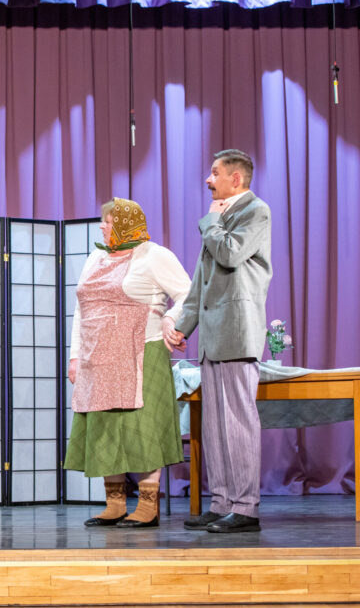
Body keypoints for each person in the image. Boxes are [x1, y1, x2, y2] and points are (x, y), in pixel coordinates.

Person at [64, 198, 191, 528]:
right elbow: (82, 310)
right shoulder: (96, 258)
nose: (102, 227)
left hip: (141, 353)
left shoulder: (154, 255)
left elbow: (189, 294)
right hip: (98, 358)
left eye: (108, 222)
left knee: (142, 428)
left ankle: (147, 506)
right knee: (106, 428)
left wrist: (171, 320)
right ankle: (115, 504)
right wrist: (75, 356)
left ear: (126, 224)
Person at [169, 150, 272, 533]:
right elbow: (201, 283)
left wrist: (212, 221)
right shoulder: (220, 220)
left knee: (238, 423)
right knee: (215, 426)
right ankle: (222, 501)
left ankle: (246, 508)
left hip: (237, 332)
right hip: (213, 336)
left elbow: (231, 254)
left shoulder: (256, 211)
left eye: (215, 173)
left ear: (236, 179)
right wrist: (183, 326)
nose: (208, 180)